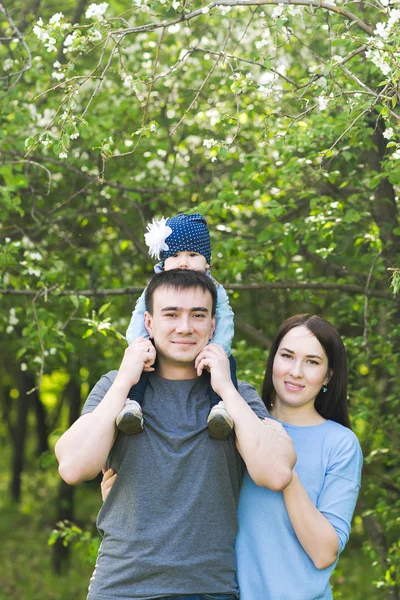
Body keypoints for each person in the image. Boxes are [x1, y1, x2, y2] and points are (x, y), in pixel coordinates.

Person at [55, 269, 296, 600]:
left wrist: (226, 387)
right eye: (171, 314)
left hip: (210, 590)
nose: (185, 327)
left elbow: (276, 473)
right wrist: (125, 379)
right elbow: (73, 467)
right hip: (121, 587)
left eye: (198, 315)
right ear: (149, 323)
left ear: (213, 325)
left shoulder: (237, 397)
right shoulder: (115, 388)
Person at [235, 314, 363, 600]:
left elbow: (323, 553)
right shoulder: (238, 424)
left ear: (328, 375)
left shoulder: (340, 444)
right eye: (287, 356)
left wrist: (283, 467)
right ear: (273, 362)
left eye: (312, 362)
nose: (296, 371)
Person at [117, 212, 237, 441]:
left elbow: (224, 318)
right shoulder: (156, 287)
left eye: (193, 255)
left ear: (207, 261)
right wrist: (139, 344)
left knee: (227, 364)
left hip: (207, 347)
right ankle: (133, 403)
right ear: (163, 261)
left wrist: (219, 348)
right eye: (175, 255)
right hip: (155, 347)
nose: (184, 262)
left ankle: (219, 407)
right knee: (138, 364)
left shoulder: (214, 289)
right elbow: (138, 316)